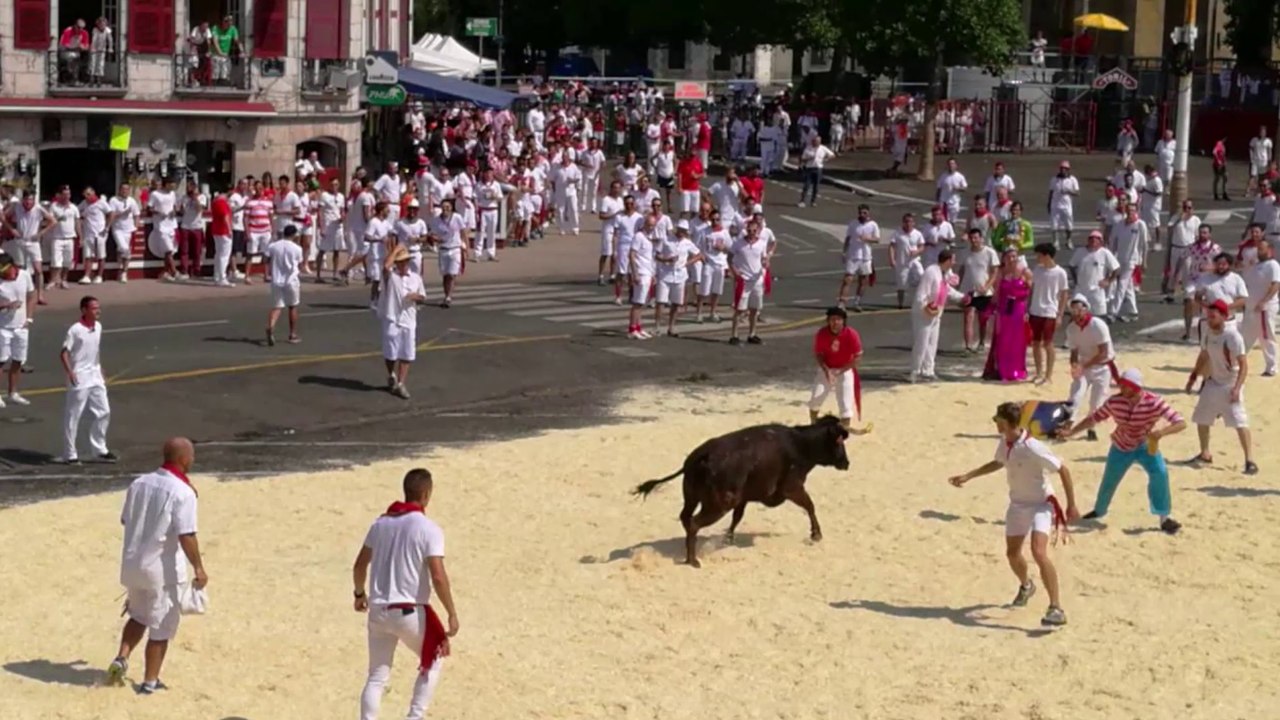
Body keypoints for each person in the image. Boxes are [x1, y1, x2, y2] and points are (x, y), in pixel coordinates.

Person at [948, 401, 1077, 627]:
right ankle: (1027, 585)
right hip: (1018, 505)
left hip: (1041, 504)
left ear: (1007, 422)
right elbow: (998, 462)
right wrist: (969, 476)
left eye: (998, 420)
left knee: (1038, 552)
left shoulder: (1033, 447)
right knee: (1012, 554)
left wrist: (1071, 505)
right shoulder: (1006, 442)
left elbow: (1063, 469)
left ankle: (1055, 607)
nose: (995, 423)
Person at [352, 468, 459, 720]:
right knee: (433, 657)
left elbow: (359, 565)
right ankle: (415, 716)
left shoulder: (380, 523)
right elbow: (438, 576)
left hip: (378, 609)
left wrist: (359, 594)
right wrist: (451, 612)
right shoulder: (428, 528)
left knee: (377, 675)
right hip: (409, 610)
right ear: (426, 494)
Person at [105, 437, 206, 693]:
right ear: (183, 459)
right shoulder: (182, 492)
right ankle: (150, 681)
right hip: (161, 570)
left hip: (132, 564)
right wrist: (198, 567)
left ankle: (122, 656)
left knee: (138, 614)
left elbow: (126, 520)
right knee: (161, 627)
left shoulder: (139, 483)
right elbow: (186, 534)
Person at [1058, 369, 1187, 535]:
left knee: (1160, 474)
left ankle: (1164, 517)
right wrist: (1072, 431)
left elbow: (1180, 422)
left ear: (1135, 387)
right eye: (1121, 385)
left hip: (1145, 445)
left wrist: (1161, 433)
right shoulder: (1115, 402)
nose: (1121, 388)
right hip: (1121, 445)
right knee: (1109, 480)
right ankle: (1099, 510)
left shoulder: (1154, 402)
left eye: (1126, 386)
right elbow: (1094, 418)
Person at [1186, 300, 1258, 474]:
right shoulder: (1208, 333)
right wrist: (1194, 376)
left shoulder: (1233, 336)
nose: (1209, 319)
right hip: (1213, 381)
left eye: (1213, 316)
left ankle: (1249, 460)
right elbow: (1204, 355)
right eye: (1208, 315)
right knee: (1201, 417)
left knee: (1240, 421)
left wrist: (1237, 388)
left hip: (1230, 382)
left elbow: (1243, 365)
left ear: (1224, 317)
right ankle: (1205, 453)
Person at [59, 295, 115, 464]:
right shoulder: (75, 329)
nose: (98, 311)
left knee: (104, 411)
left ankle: (99, 449)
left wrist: (100, 366)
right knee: (73, 415)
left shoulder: (98, 326)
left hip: (95, 374)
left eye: (98, 307)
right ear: (84, 310)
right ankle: (70, 453)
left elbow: (95, 349)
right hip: (79, 376)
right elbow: (64, 352)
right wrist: (70, 372)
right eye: (94, 308)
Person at [911, 249, 967, 383]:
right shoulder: (931, 272)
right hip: (924, 313)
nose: (954, 262)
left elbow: (947, 289)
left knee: (932, 342)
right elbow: (921, 294)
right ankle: (915, 371)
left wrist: (962, 297)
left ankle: (928, 370)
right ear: (947, 260)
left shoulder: (944, 273)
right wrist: (926, 307)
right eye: (953, 260)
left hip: (937, 312)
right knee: (922, 342)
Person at [379, 246, 427, 399]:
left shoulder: (416, 278)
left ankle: (401, 383)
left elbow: (423, 297)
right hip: (392, 318)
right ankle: (391, 374)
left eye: (405, 261)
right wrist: (396, 249)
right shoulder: (391, 277)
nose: (403, 264)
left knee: (407, 353)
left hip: (409, 319)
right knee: (391, 353)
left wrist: (415, 297)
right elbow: (385, 266)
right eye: (400, 262)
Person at [1064, 295, 1113, 441]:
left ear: (1086, 309)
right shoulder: (1072, 328)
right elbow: (1073, 351)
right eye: (1073, 310)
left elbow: (1103, 353)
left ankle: (1090, 429)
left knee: (1096, 403)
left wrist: (1082, 365)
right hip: (1084, 366)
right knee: (1075, 396)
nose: (1077, 313)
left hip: (1102, 367)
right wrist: (1074, 365)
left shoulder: (1097, 325)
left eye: (1079, 309)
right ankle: (1068, 424)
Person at [808, 307, 863, 429]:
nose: (835, 323)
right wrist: (826, 370)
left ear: (843, 321)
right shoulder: (822, 333)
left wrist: (841, 370)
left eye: (838, 319)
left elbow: (858, 356)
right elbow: (818, 354)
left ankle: (844, 430)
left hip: (845, 370)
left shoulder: (851, 334)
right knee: (815, 400)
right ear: (828, 321)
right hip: (827, 368)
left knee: (845, 405)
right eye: (832, 319)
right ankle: (813, 424)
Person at [983, 247, 1031, 382]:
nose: (1011, 259)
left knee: (1018, 341)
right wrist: (990, 309)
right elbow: (996, 294)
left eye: (1014, 256)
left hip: (1019, 310)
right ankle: (1003, 370)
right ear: (1003, 258)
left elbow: (1030, 293)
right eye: (1008, 257)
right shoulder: (1000, 273)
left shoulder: (1025, 272)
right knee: (1003, 341)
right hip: (1004, 311)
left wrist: (1027, 311)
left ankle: (1017, 370)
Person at [653, 220, 702, 337]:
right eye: (680, 230)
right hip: (665, 275)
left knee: (676, 303)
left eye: (684, 231)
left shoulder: (687, 243)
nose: (681, 233)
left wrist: (688, 263)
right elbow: (657, 255)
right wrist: (666, 260)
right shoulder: (666, 240)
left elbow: (699, 254)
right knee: (660, 302)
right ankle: (657, 327)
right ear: (676, 229)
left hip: (680, 276)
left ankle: (671, 327)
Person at [1029, 243, 1070, 384]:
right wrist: (1028, 309)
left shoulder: (1060, 273)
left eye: (1039, 255)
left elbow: (1064, 294)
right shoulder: (1037, 270)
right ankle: (1039, 372)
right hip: (1035, 310)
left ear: (1046, 255)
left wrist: (1060, 314)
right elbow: (1032, 290)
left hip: (1050, 311)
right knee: (1035, 343)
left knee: (1048, 344)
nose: (1037, 258)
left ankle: (1048, 375)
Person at [0, 252, 35, 406]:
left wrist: (29, 318)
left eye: (5, 271)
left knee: (18, 360)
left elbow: (31, 295)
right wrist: (7, 305)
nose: (3, 274)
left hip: (21, 327)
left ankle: (13, 392)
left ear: (13, 267)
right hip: (3, 327)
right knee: (1, 361)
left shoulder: (25, 276)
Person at [727, 218, 769, 346]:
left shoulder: (761, 244)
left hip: (756, 280)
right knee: (739, 309)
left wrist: (765, 263)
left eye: (754, 230)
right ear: (746, 230)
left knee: (754, 309)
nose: (751, 233)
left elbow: (764, 259)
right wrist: (735, 271)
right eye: (749, 230)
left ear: (758, 231)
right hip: (743, 280)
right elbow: (729, 258)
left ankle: (752, 334)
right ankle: (734, 335)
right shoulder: (738, 243)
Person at [1242, 239, 1279, 375]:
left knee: (1266, 337)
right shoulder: (1255, 266)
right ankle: (1236, 361)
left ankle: (1271, 367)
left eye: (1262, 249)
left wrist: (1264, 301)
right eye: (1258, 249)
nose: (1259, 251)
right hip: (1251, 306)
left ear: (1270, 250)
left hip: (1265, 308)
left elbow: (1275, 285)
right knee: (1246, 335)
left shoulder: (1273, 265)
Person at [959, 227, 998, 353]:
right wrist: (958, 286)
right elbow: (962, 270)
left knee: (983, 319)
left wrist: (987, 286)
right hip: (968, 289)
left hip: (984, 291)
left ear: (981, 238)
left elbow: (994, 272)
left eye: (976, 238)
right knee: (968, 317)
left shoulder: (990, 252)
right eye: (971, 238)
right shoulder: (965, 253)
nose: (974, 240)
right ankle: (968, 346)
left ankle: (981, 342)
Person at [264, 225, 303, 346]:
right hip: (291, 280)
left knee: (277, 306)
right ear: (294, 235)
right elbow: (299, 263)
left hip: (276, 280)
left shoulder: (273, 246)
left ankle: (271, 326)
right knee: (292, 306)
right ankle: (292, 334)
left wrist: (269, 271)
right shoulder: (297, 248)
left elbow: (265, 259)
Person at [840, 205, 880, 312]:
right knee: (848, 279)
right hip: (853, 255)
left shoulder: (873, 225)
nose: (862, 215)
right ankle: (842, 303)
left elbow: (877, 239)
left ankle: (857, 302)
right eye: (860, 213)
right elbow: (848, 238)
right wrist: (844, 252)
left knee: (863, 281)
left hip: (866, 257)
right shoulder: (853, 224)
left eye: (864, 213)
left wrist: (868, 239)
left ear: (868, 213)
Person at [1164, 199, 1200, 302]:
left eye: (1189, 208)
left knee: (1187, 272)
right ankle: (1170, 294)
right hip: (1176, 247)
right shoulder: (1176, 218)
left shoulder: (1196, 220)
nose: (1187, 210)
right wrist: (1180, 219)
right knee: (1173, 271)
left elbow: (1197, 235)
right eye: (1185, 207)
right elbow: (1169, 228)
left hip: (1189, 248)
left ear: (1193, 209)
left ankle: (1187, 295)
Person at [889, 213, 924, 309]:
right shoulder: (897, 233)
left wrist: (917, 251)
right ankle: (900, 304)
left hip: (914, 261)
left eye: (910, 221)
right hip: (902, 262)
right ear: (903, 222)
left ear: (914, 223)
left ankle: (920, 302)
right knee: (901, 285)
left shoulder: (917, 234)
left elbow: (922, 246)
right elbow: (892, 246)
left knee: (922, 277)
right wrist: (892, 259)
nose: (908, 224)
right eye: (906, 221)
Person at [1046, 161, 1079, 250]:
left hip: (1067, 206)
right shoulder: (1054, 179)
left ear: (1068, 170)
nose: (1063, 170)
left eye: (1065, 168)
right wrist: (1049, 204)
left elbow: (1077, 192)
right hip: (1055, 205)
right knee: (1054, 224)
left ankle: (1068, 240)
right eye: (1061, 168)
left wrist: (1068, 191)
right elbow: (1051, 192)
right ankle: (1056, 241)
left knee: (1069, 225)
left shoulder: (1072, 179)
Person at [797, 134, 835, 208]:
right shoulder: (808, 148)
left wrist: (826, 159)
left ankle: (813, 201)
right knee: (806, 185)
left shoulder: (823, 148)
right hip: (809, 169)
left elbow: (832, 155)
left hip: (818, 169)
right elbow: (802, 158)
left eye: (818, 141)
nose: (816, 142)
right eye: (814, 141)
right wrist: (809, 158)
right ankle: (802, 201)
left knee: (816, 186)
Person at [1248, 125, 1272, 198]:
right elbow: (1250, 148)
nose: (1263, 133)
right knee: (1253, 176)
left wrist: (1269, 161)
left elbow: (1269, 151)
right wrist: (1251, 157)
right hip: (1255, 161)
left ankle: (1259, 191)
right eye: (1261, 131)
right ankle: (1248, 191)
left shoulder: (1268, 141)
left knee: (1262, 178)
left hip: (1264, 161)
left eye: (1264, 132)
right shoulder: (1254, 140)